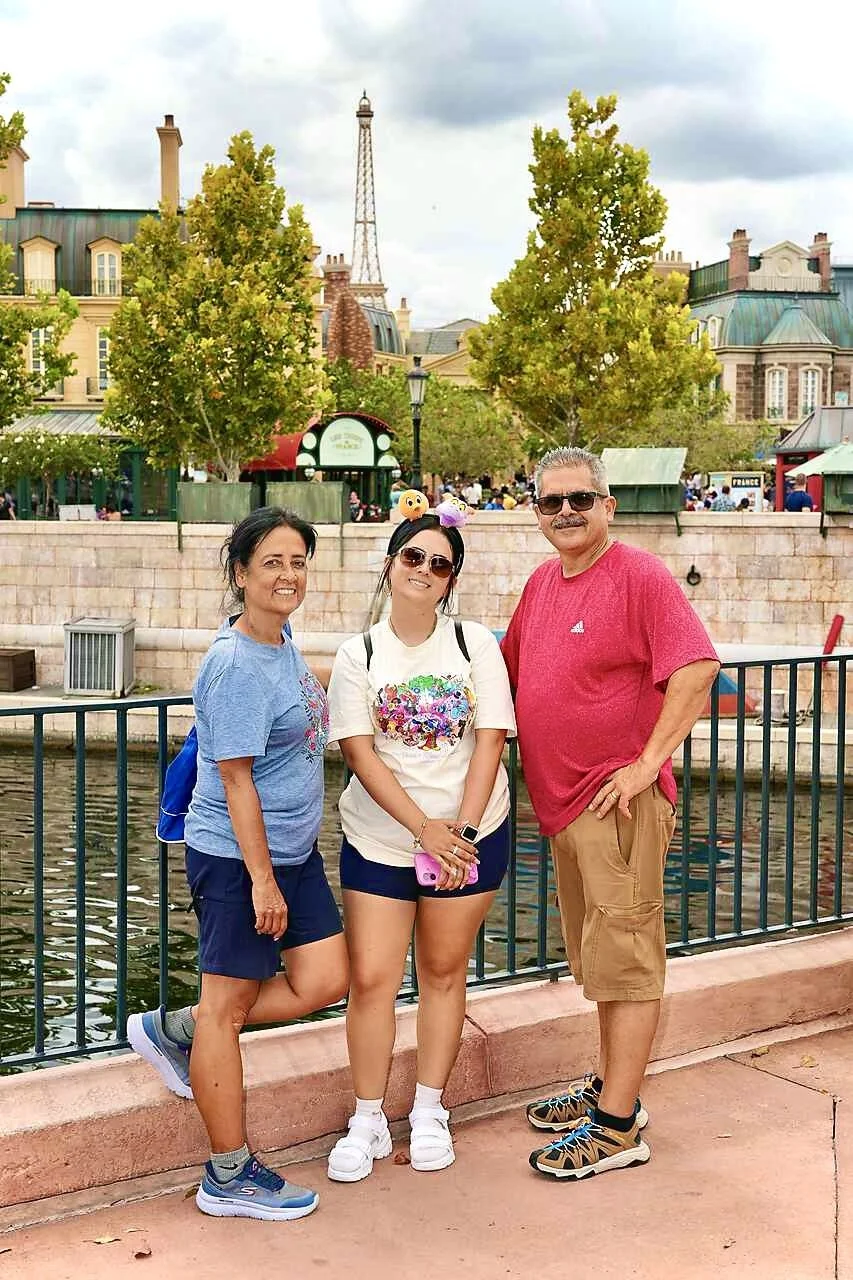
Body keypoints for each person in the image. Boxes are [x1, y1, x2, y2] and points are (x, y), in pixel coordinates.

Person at [501, 447, 719, 1181]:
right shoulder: (541, 584)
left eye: (580, 500)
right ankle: (610, 1086)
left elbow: (696, 667)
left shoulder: (640, 576)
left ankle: (619, 1125)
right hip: (563, 808)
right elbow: (504, 675)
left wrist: (643, 763)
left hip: (614, 801)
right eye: (550, 501)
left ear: (608, 506)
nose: (565, 512)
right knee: (597, 958)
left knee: (625, 961)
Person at [127, 507, 348, 1221]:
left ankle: (179, 1029)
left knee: (325, 978)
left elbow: (290, 709)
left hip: (293, 852)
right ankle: (227, 1173)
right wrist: (259, 880)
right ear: (240, 574)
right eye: (273, 563)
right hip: (236, 857)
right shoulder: (233, 664)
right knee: (229, 1008)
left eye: (298, 562)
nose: (288, 575)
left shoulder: (278, 641)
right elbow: (234, 779)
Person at [324, 500, 516, 1182]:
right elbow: (359, 752)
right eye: (413, 557)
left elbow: (490, 736)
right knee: (372, 980)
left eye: (440, 563)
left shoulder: (474, 646)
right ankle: (367, 1116)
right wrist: (422, 830)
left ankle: (430, 1109)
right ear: (390, 565)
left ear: (450, 579)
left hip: (470, 834)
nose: (425, 570)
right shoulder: (358, 654)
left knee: (440, 972)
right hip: (381, 839)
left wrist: (458, 832)